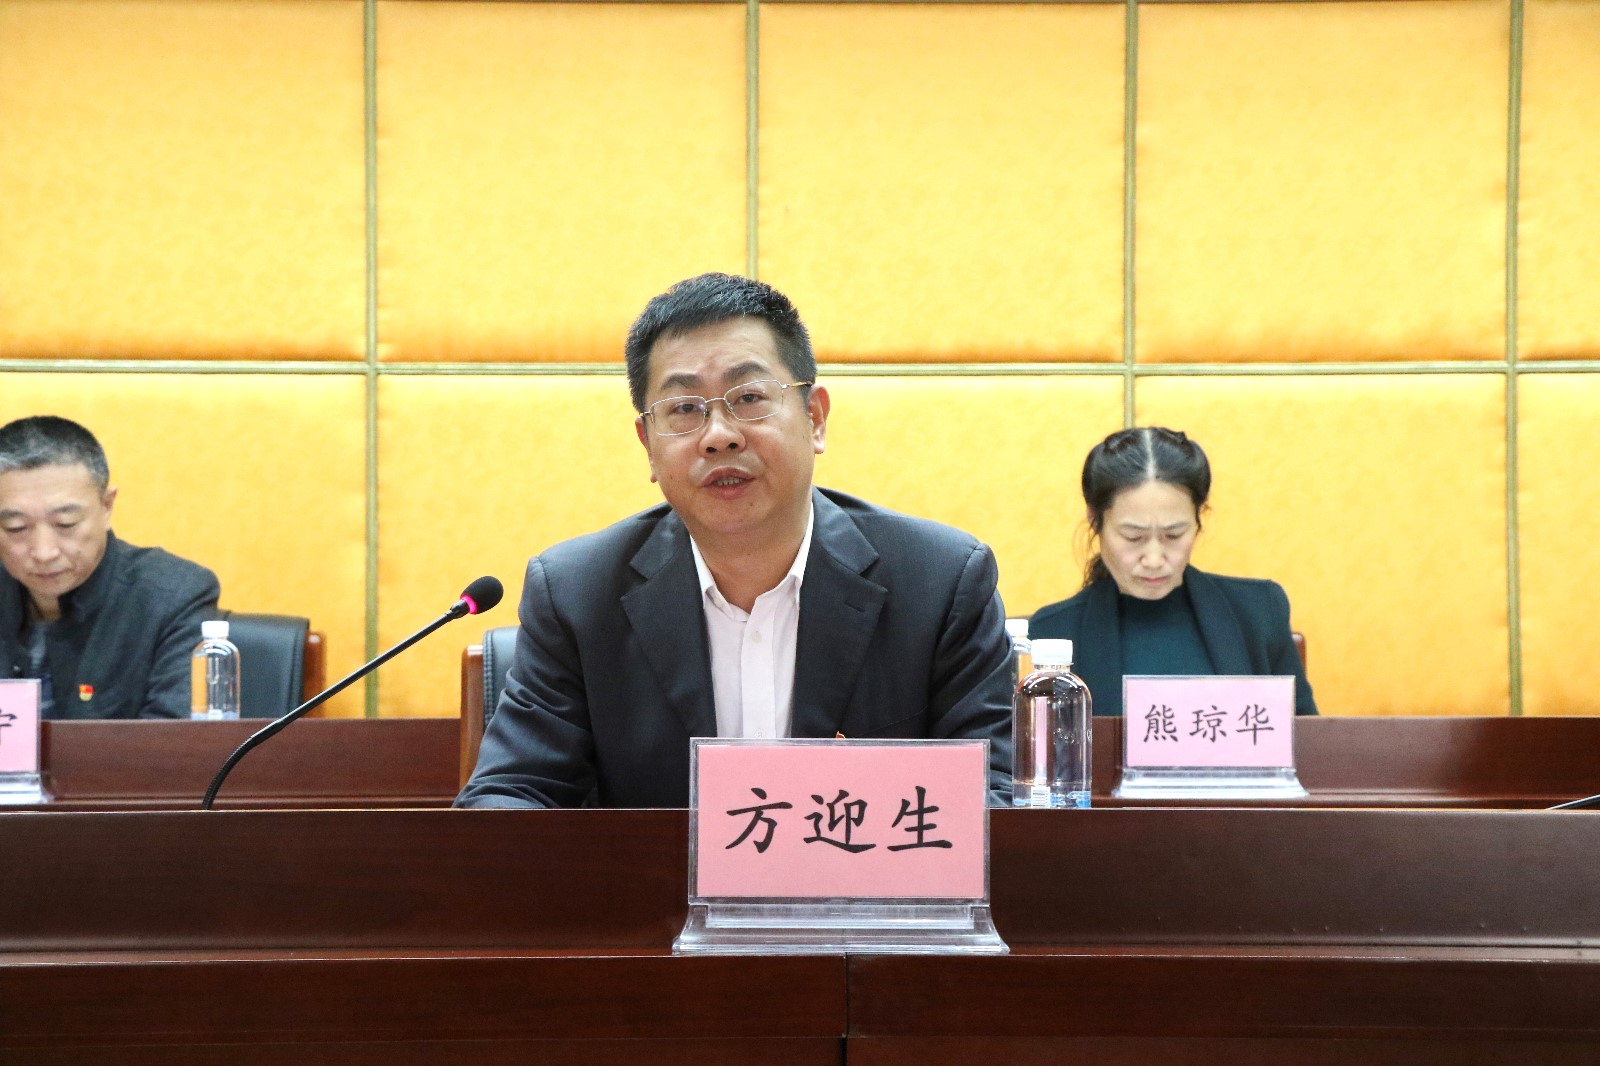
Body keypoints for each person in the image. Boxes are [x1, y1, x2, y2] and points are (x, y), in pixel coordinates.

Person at [458, 273, 1013, 808]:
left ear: (815, 418)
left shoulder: (940, 583)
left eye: (748, 398)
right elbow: (510, 794)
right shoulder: (578, 595)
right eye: (684, 409)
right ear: (648, 445)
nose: (719, 436)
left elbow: (999, 798)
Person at [1029, 426, 1317, 717]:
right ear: (1095, 520)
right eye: (1133, 536)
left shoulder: (1259, 612)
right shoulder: (1055, 633)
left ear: (1198, 518)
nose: (1154, 559)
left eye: (1174, 534)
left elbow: (1305, 737)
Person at [0, 416, 221, 719]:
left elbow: (174, 740)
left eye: (66, 524)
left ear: (106, 506)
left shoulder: (173, 597)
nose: (44, 552)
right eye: (16, 527)